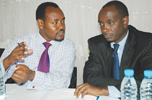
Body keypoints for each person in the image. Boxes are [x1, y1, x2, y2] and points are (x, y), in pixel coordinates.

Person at [74, 0, 152, 99]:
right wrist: (127, 86)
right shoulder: (97, 44)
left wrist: (105, 90)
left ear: (125, 21)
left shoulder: (146, 42)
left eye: (110, 23)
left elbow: (147, 84)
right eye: (101, 24)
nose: (104, 29)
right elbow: (90, 78)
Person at [0, 2, 76, 90]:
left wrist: (31, 75)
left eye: (63, 21)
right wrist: (7, 61)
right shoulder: (20, 44)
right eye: (55, 23)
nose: (62, 27)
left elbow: (63, 82)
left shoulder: (68, 46)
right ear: (41, 24)